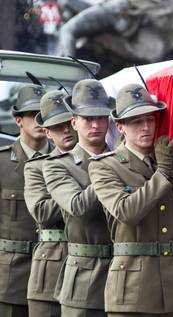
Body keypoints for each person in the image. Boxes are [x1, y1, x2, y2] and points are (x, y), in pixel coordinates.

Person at [88, 83, 173, 316]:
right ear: (121, 126)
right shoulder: (106, 166)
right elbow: (127, 212)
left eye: (151, 120)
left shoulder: (169, 160)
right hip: (133, 288)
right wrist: (163, 173)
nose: (146, 127)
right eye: (137, 122)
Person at [43, 79, 113, 317]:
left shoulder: (124, 160)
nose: (95, 124)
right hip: (84, 277)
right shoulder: (57, 166)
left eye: (101, 117)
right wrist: (109, 175)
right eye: (87, 118)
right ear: (74, 122)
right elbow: (77, 206)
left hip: (126, 275)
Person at [24, 90, 77, 317]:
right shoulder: (37, 167)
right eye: (57, 126)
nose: (65, 129)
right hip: (53, 261)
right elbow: (42, 212)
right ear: (47, 132)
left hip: (95, 265)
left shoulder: (104, 162)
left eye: (68, 122)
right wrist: (71, 193)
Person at [0, 83, 51, 316]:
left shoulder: (69, 160)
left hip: (55, 276)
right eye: (32, 114)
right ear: (18, 119)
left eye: (44, 114)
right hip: (13, 276)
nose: (40, 120)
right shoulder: (2, 164)